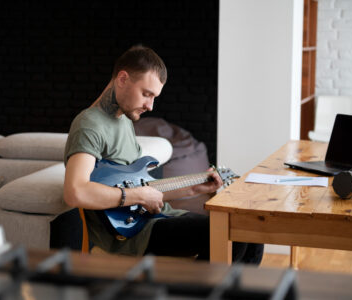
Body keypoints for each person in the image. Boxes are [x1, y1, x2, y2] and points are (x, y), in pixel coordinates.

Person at [63, 45, 263, 263]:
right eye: (146, 94)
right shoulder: (90, 125)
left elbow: (142, 190)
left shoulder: (123, 119)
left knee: (249, 231)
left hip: (155, 217)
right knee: (231, 233)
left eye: (154, 97)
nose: (150, 106)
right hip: (130, 236)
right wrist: (139, 196)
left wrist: (195, 189)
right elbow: (76, 192)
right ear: (122, 79)